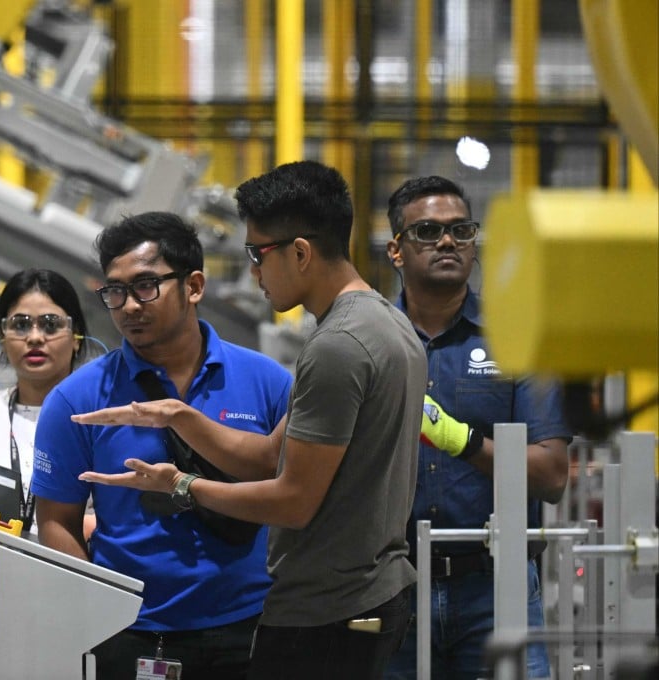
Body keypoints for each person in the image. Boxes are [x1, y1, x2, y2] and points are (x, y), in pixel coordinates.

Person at [72, 162, 428, 680]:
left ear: (300, 252)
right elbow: (269, 455)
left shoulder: (336, 348)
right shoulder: (386, 323)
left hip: (327, 611)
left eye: (258, 255)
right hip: (363, 597)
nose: (255, 273)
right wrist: (181, 417)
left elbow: (292, 501)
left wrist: (182, 486)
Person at [30, 211, 293, 679]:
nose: (129, 306)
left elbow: (296, 494)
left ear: (194, 286)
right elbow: (56, 521)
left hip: (253, 626)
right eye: (115, 291)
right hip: (134, 634)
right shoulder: (77, 400)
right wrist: (98, 616)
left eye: (146, 286)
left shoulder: (267, 382)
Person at [382, 175, 571, 679]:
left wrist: (461, 441)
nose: (448, 241)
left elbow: (552, 475)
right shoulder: (368, 341)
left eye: (461, 230)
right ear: (395, 250)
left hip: (495, 589)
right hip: (392, 588)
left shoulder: (518, 339)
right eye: (428, 231)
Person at [0, 268, 92, 534]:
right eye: (21, 325)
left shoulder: (100, 419)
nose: (35, 337)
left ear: (76, 336)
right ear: (3, 338)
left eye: (50, 324)